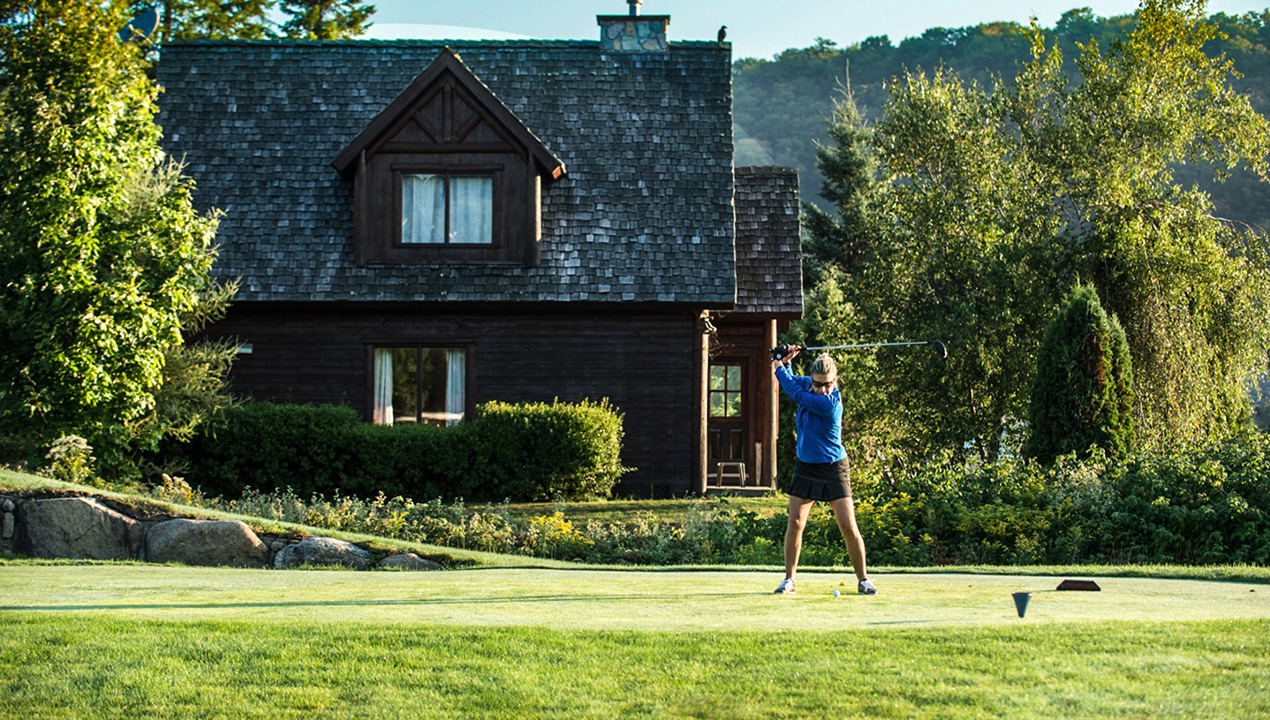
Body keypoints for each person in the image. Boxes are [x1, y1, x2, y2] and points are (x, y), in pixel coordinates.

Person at [771, 346, 876, 595]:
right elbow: (795, 380)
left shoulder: (830, 403)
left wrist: (776, 363)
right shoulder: (810, 385)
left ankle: (863, 580)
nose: (822, 388)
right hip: (806, 465)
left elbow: (793, 389)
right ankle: (789, 580)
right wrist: (784, 362)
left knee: (848, 525)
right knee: (795, 522)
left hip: (833, 468)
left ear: (835, 381)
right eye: (818, 384)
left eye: (827, 384)